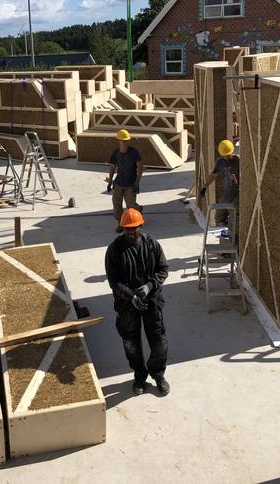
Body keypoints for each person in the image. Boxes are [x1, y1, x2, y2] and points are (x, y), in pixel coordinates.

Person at [105, 207, 170, 397]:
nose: (132, 232)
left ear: (141, 226)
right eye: (128, 229)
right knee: (131, 343)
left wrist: (149, 286)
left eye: (135, 228)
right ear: (122, 228)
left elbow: (163, 269)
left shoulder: (152, 244)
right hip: (127, 304)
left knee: (158, 342)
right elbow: (114, 281)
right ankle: (140, 376)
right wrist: (131, 296)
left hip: (152, 301)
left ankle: (157, 374)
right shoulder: (114, 250)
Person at [107, 129, 143, 233]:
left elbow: (140, 167)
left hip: (130, 184)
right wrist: (110, 181)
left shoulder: (133, 152)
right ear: (118, 141)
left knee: (130, 206)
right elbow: (112, 167)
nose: (124, 143)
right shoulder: (116, 153)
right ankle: (120, 224)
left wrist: (137, 182)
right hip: (118, 183)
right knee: (117, 204)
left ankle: (137, 215)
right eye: (122, 141)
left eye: (126, 141)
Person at [199, 139, 239, 228]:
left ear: (232, 152)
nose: (227, 157)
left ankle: (234, 233)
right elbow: (213, 175)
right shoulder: (220, 162)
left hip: (238, 192)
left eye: (228, 155)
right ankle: (225, 227)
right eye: (225, 156)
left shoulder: (238, 160)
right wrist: (204, 187)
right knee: (218, 217)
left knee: (235, 215)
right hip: (228, 192)